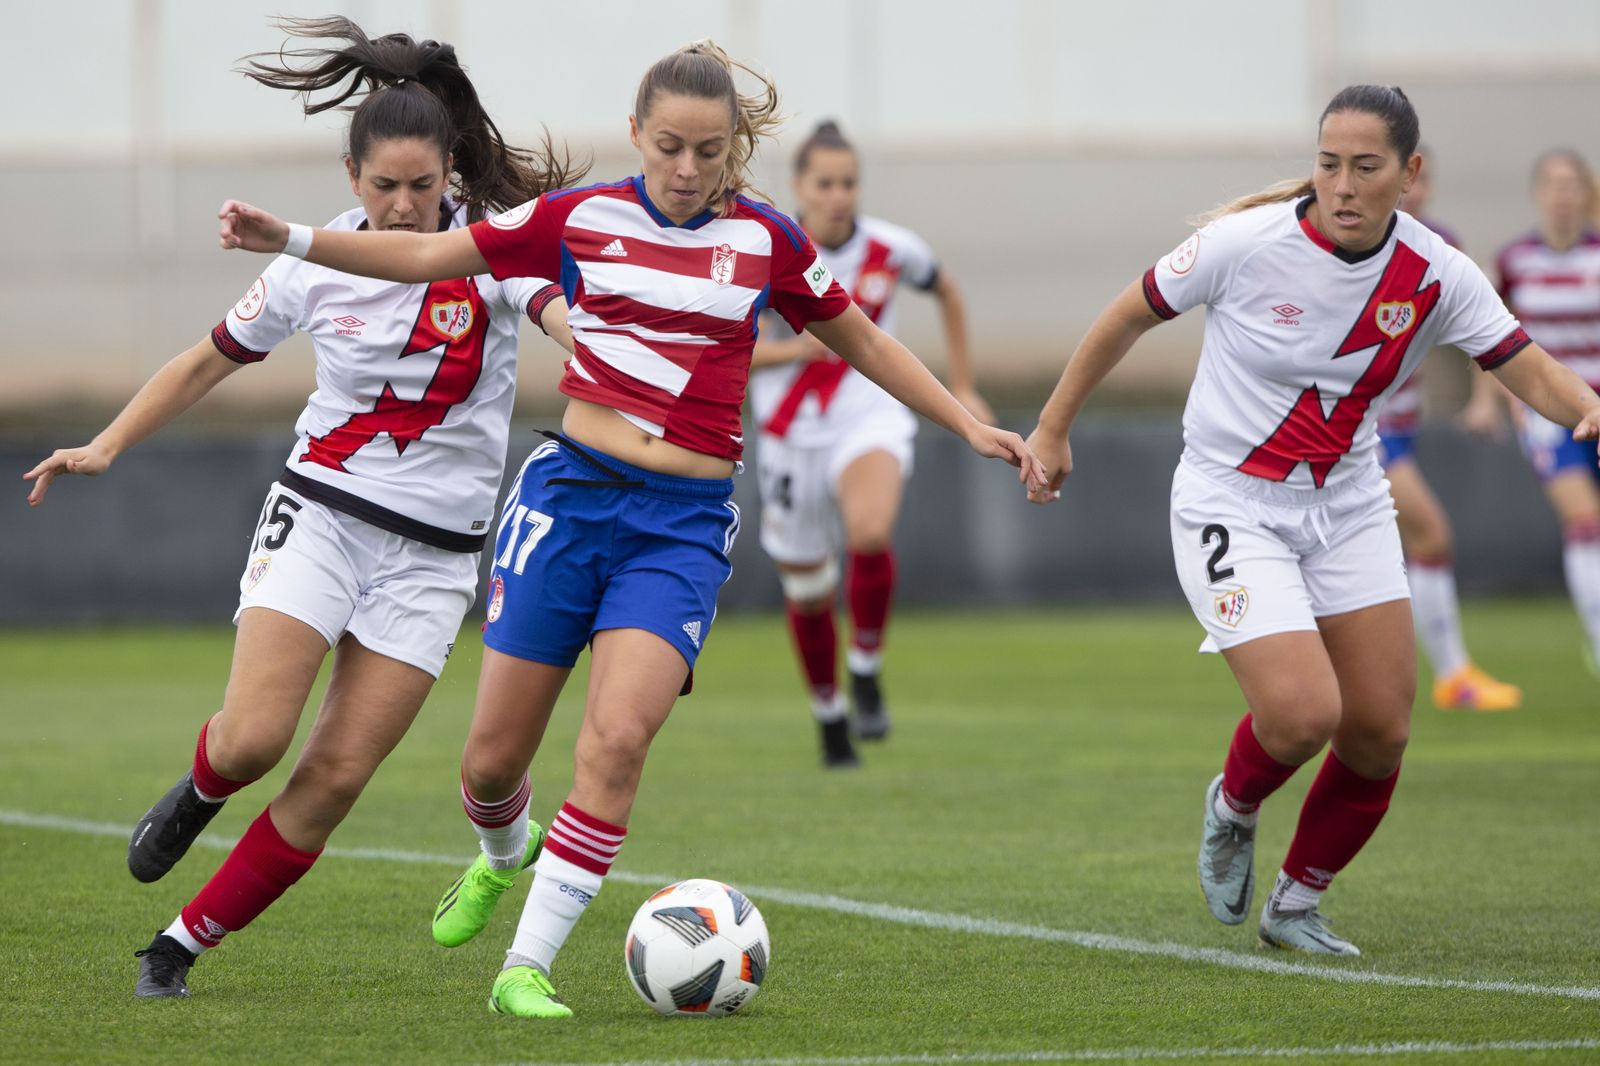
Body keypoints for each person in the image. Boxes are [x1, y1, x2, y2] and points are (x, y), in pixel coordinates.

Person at [215, 40, 1045, 1018]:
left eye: (708, 151)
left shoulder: (768, 242)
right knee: (489, 764)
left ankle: (524, 966)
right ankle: (497, 849)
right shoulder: (579, 218)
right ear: (635, 137)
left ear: (734, 147)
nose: (687, 171)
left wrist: (967, 420)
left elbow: (861, 337)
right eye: (668, 148)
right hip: (568, 500)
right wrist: (294, 238)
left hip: (681, 526)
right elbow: (430, 251)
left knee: (615, 742)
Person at [23, 17, 581, 998]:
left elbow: (560, 319)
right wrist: (107, 442)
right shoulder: (309, 262)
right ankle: (203, 787)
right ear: (351, 177)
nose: (406, 208)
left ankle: (179, 944)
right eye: (384, 188)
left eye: (423, 186)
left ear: (452, 169)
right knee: (253, 740)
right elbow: (207, 359)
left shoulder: (493, 251)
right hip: (321, 514)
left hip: (436, 558)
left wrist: (607, 356)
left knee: (330, 782)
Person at [1025, 86, 1600, 956]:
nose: (1341, 184)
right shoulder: (1246, 244)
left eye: (1365, 168)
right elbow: (1127, 315)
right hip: (1229, 501)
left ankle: (1296, 902)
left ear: (1408, 174)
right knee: (1301, 716)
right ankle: (1233, 805)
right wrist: (1053, 427)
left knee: (1380, 729)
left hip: (1350, 502)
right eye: (1329, 164)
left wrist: (1588, 408)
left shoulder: (1436, 269)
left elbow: (1523, 364)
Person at [748, 120, 992, 767]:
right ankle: (829, 715)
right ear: (798, 187)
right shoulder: (768, 254)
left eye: (848, 183)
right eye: (824, 183)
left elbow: (947, 290)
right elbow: (729, 350)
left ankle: (866, 665)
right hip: (788, 437)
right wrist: (792, 350)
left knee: (871, 532)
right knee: (808, 592)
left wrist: (963, 385)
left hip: (867, 417)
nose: (837, 195)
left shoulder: (891, 248)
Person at [1375, 147, 1521, 710]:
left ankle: (1439, 676)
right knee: (1430, 534)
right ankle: (1453, 677)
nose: (1415, 189)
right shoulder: (1355, 241)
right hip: (1363, 433)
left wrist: (1486, 398)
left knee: (1405, 545)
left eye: (1423, 176)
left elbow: (1486, 332)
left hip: (1401, 428)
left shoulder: (1440, 247)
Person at [1491, 148, 1600, 674]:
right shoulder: (1515, 261)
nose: (1562, 195)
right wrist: (1498, 401)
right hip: (1551, 417)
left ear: (1586, 194)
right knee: (1584, 522)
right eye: (1552, 184)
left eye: (1572, 184)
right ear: (1538, 193)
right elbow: (1491, 338)